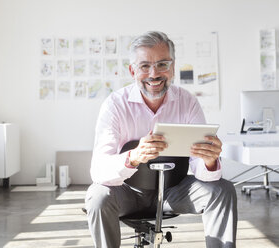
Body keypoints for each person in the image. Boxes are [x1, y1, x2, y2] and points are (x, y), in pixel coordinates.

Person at [85, 31, 237, 248]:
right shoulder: (115, 105)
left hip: (174, 190)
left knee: (222, 190)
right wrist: (133, 158)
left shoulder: (188, 103)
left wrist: (210, 161)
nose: (154, 74)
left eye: (162, 64)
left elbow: (204, 173)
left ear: (172, 68)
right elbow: (99, 171)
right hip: (128, 192)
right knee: (97, 196)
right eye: (145, 66)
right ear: (132, 70)